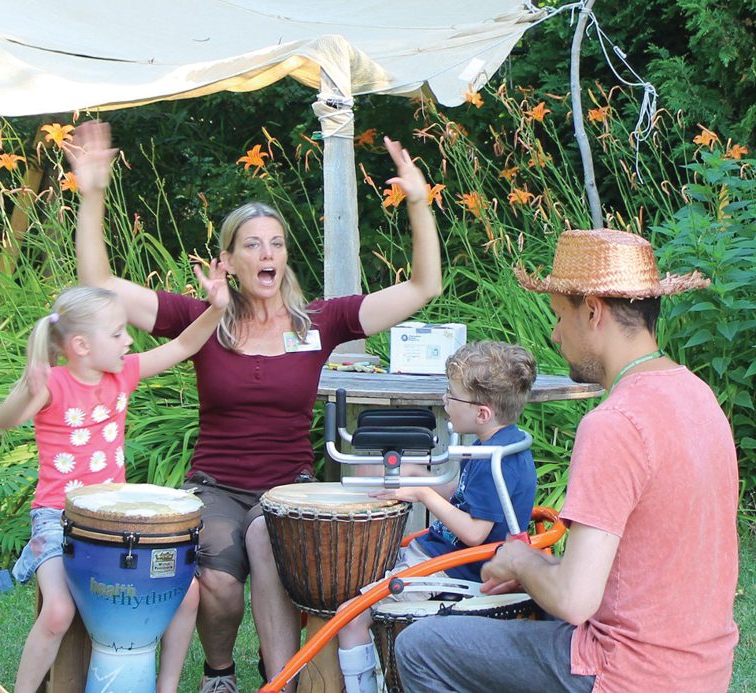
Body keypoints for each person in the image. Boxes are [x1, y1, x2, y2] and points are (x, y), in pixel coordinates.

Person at [66, 120, 442, 692]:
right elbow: (97, 282)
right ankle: (220, 674)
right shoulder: (202, 318)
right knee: (216, 579)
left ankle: (280, 679)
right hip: (214, 483)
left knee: (267, 540)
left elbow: (422, 288)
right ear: (229, 261)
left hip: (286, 485)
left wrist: (418, 201)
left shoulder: (320, 322)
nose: (267, 254)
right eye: (252, 244)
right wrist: (92, 194)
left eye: (276, 243)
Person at [396, 228, 739, 692]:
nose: (555, 334)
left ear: (593, 311)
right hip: (702, 673)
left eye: (559, 316)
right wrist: (541, 571)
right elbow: (630, 576)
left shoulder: (614, 422)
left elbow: (575, 600)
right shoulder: (700, 398)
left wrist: (519, 560)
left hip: (625, 674)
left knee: (421, 647)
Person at [0, 269, 228, 692]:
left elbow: (184, 344)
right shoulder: (53, 384)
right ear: (82, 346)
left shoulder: (124, 374)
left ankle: (166, 687)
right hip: (58, 518)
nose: (129, 341)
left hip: (116, 521)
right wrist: (25, 392)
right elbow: (4, 421)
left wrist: (217, 308)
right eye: (118, 334)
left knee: (188, 595)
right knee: (58, 613)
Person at [333, 340, 538, 693]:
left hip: (454, 570)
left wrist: (424, 494)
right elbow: (464, 497)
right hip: (437, 558)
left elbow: (475, 533)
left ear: (482, 413)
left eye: (452, 395)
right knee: (351, 583)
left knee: (349, 618)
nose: (445, 400)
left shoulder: (495, 459)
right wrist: (417, 475)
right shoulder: (498, 443)